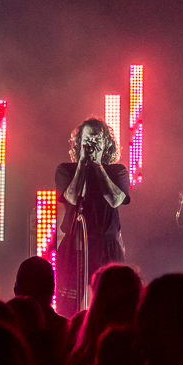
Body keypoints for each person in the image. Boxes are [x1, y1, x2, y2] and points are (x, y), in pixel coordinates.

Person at [54, 118, 130, 317]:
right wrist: (82, 163)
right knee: (67, 306)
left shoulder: (118, 171)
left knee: (112, 306)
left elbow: (115, 200)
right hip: (74, 245)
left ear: (106, 144)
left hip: (107, 247)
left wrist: (97, 166)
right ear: (79, 143)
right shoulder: (65, 169)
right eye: (88, 139)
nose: (92, 145)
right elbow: (70, 197)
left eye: (97, 140)